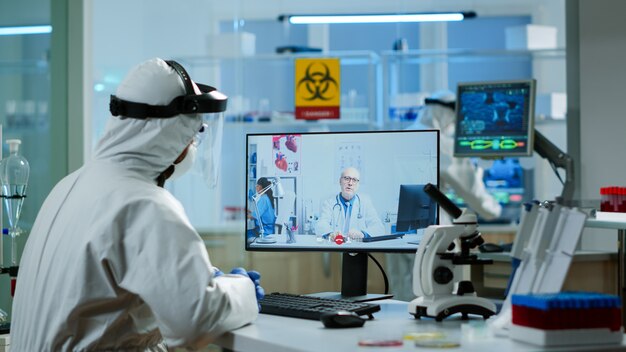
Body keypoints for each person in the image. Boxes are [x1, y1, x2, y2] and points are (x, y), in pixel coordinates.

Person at [11, 58, 264, 351]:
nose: (191, 145)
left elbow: (101, 319)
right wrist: (240, 291)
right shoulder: (146, 205)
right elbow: (196, 322)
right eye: (193, 134)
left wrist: (194, 285)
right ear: (170, 131)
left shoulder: (69, 186)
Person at [386, 91, 503, 301]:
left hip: (395, 232)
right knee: (438, 296)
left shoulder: (401, 135)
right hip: (431, 233)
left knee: (404, 297)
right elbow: (473, 193)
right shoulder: (440, 141)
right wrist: (493, 209)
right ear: (449, 115)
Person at [315, 167, 385, 240]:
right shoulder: (329, 202)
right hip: (336, 247)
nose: (350, 183)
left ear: (358, 184)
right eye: (347, 178)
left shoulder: (365, 202)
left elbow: (379, 227)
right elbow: (321, 225)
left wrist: (362, 234)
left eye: (354, 180)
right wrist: (331, 234)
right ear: (340, 181)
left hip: (358, 248)